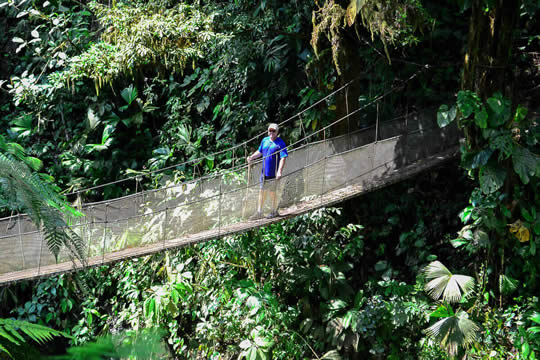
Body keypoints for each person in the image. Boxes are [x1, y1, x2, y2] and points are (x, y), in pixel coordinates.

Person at [247, 123, 288, 219]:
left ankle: (274, 211)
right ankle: (259, 212)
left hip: (273, 173)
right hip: (264, 172)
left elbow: (283, 158)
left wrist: (279, 171)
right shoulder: (264, 140)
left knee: (272, 192)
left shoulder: (280, 143)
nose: (271, 132)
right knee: (262, 191)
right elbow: (260, 152)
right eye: (270, 130)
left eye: (274, 131)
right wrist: (252, 157)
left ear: (277, 132)